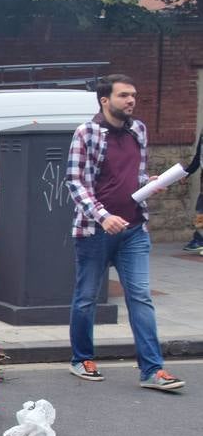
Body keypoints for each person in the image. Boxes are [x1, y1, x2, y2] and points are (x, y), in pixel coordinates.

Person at [66, 75, 185, 391]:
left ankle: (152, 370)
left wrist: (152, 182)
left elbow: (134, 173)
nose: (131, 101)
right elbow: (75, 181)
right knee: (86, 299)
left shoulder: (139, 130)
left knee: (141, 297)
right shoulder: (86, 133)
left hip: (134, 229)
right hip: (94, 231)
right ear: (105, 100)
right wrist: (103, 216)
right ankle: (81, 358)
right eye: (124, 96)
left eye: (133, 95)